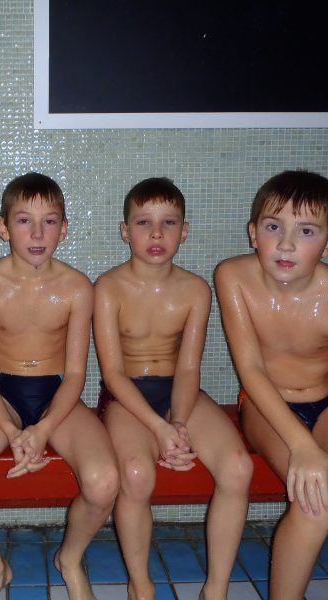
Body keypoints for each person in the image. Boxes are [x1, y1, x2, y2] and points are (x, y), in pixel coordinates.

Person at [214, 170, 328, 599]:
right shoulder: (233, 277)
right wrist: (301, 446)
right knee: (317, 500)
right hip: (265, 405)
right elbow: (251, 370)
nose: (285, 244)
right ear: (253, 232)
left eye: (306, 231)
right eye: (273, 227)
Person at [0, 172, 119, 600]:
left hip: (58, 396)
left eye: (49, 221)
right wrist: (12, 431)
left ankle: (70, 558)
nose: (37, 233)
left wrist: (44, 428)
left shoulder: (78, 288)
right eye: (24, 221)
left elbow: (76, 375)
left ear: (64, 229)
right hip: (2, 397)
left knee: (105, 481)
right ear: (3, 227)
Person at [93, 178, 252, 600]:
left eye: (169, 223)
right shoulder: (108, 288)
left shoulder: (196, 290)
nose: (156, 234)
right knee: (136, 474)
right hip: (126, 396)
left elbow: (188, 368)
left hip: (179, 391)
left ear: (184, 231)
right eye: (143, 222)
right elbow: (113, 374)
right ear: (125, 231)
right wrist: (159, 427)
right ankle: (141, 585)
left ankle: (216, 589)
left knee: (238, 467)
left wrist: (178, 422)